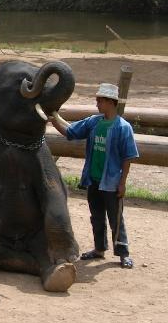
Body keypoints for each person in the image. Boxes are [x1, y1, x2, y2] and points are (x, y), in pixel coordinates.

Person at [49, 83, 139, 269]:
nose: (97, 103)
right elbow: (71, 132)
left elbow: (128, 157)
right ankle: (99, 249)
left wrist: (122, 183)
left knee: (116, 218)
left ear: (110, 102)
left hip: (112, 182)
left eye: (100, 100)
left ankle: (123, 253)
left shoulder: (123, 128)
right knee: (96, 216)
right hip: (94, 179)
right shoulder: (94, 122)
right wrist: (53, 119)